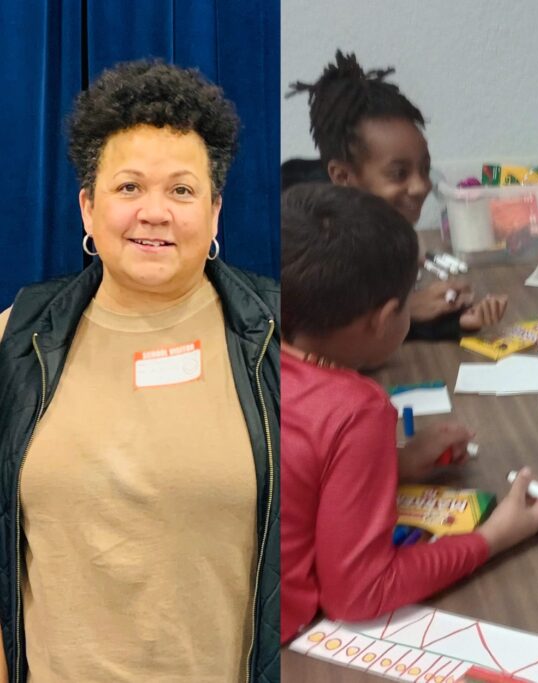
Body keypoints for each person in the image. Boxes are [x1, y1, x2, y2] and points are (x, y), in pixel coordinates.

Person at [0, 61, 279, 681]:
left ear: (214, 213)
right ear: (87, 209)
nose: (154, 213)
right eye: (128, 188)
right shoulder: (15, 339)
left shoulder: (277, 337)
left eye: (181, 190)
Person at [279, 183, 538, 642]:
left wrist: (392, 466)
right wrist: (495, 537)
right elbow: (358, 593)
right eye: (409, 299)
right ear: (385, 319)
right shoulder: (355, 410)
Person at [288, 50, 508, 339]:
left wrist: (450, 322)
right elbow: (310, 339)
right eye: (399, 174)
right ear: (342, 176)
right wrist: (408, 311)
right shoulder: (305, 244)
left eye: (425, 168)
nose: (421, 186)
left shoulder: (387, 237)